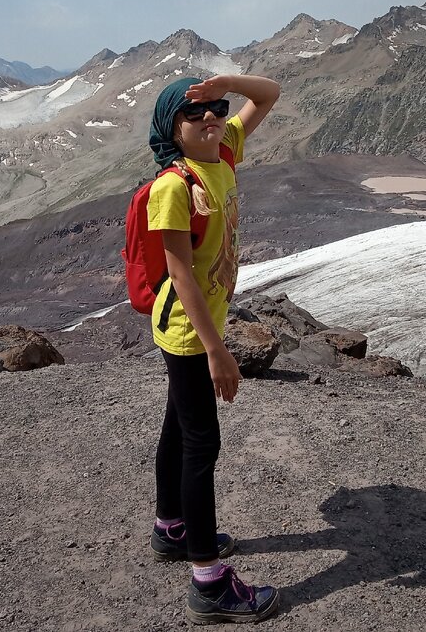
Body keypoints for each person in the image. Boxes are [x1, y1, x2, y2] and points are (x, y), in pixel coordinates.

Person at [145, 73, 282, 625]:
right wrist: (217, 352)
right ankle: (208, 581)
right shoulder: (172, 188)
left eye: (217, 109)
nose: (210, 118)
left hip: (195, 328)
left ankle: (170, 528)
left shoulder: (223, 154)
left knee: (179, 427)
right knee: (203, 444)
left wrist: (222, 83)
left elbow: (269, 94)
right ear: (170, 131)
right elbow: (180, 276)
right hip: (187, 331)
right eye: (193, 113)